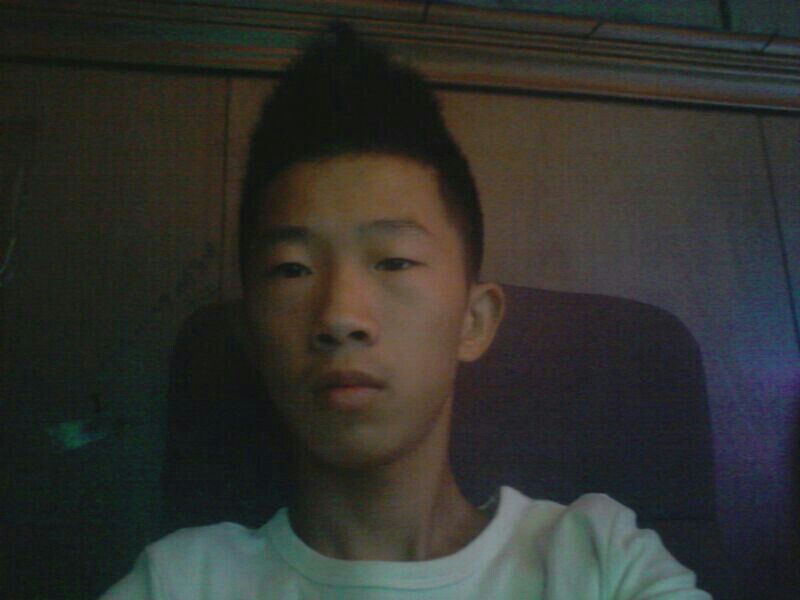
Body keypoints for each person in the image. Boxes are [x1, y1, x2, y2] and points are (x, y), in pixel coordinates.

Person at [101, 21, 711, 599]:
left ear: (474, 321)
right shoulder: (184, 580)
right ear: (250, 335)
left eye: (393, 261)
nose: (340, 317)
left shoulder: (593, 558)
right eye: (292, 269)